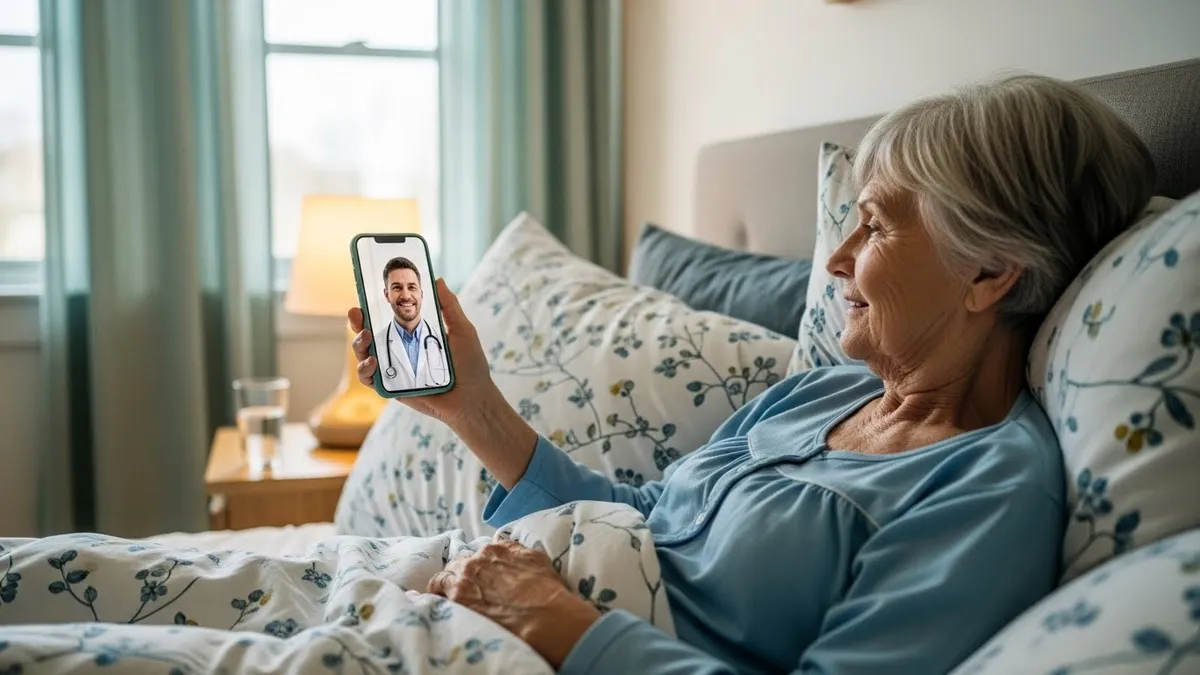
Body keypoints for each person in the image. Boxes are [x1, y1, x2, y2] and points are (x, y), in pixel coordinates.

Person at [349, 74, 1156, 674]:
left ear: (990, 271)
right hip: (482, 586)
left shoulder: (989, 491)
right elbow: (652, 517)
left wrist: (554, 620)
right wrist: (470, 403)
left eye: (872, 226)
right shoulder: (827, 391)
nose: (837, 261)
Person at [375, 256, 446, 390]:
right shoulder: (376, 344)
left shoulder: (444, 340)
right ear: (386, 295)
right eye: (397, 288)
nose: (406, 296)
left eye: (412, 287)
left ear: (421, 293)